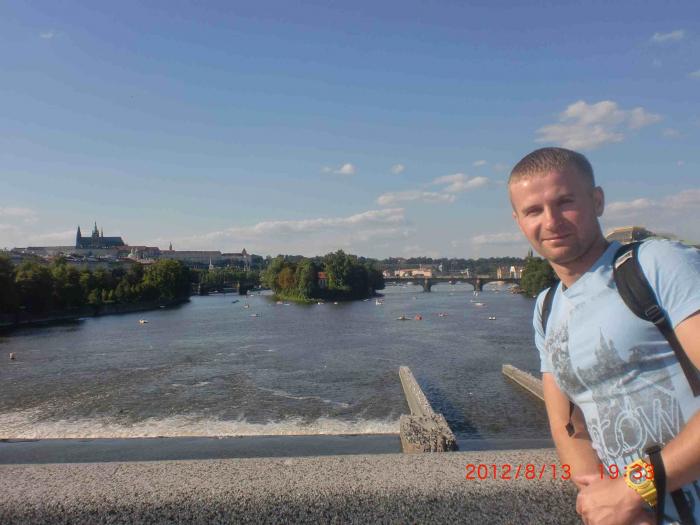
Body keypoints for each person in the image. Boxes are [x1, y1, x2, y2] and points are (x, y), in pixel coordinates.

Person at [508, 147, 700, 525]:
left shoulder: (657, 264)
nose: (551, 221)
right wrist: (602, 499)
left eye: (565, 202)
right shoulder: (547, 308)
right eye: (533, 211)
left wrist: (634, 489)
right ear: (519, 221)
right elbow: (568, 424)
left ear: (597, 201)